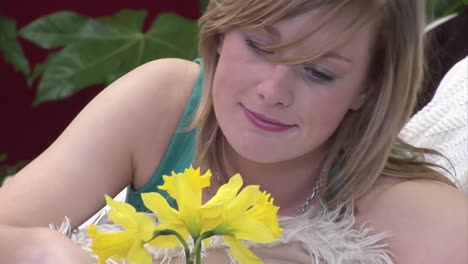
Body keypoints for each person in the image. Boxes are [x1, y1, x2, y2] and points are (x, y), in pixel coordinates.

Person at [0, 0, 466, 263]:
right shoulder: (165, 103)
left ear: (368, 87)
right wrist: (43, 249)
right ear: (221, 33)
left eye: (318, 73)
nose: (272, 91)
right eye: (260, 46)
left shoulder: (395, 199)